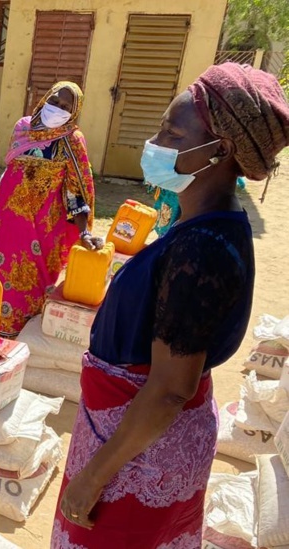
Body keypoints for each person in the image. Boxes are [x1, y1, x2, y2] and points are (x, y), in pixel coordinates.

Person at [52, 63, 288, 548]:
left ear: (220, 151)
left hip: (140, 455)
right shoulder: (199, 222)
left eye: (172, 132)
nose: (154, 141)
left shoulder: (202, 249)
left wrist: (95, 476)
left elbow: (168, 390)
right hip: (132, 437)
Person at [0, 82, 100, 337]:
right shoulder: (23, 127)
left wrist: (83, 231)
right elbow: (10, 171)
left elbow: (75, 189)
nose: (57, 108)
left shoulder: (71, 140)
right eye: (54, 101)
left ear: (74, 113)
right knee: (2, 275)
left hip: (42, 230)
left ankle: (22, 335)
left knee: (33, 283)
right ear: (45, 99)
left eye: (65, 107)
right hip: (10, 222)